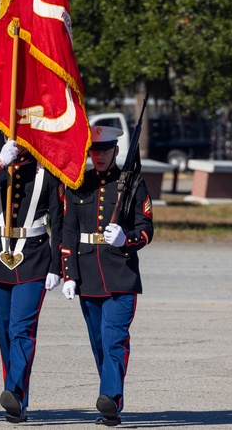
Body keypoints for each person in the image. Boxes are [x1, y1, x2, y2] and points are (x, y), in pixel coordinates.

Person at [60, 125, 154, 427]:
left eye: (105, 150)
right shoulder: (78, 185)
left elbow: (147, 228)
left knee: (115, 339)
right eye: (94, 151)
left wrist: (125, 238)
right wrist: (69, 275)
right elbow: (69, 231)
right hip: (88, 274)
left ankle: (110, 398)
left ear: (116, 151)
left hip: (120, 274)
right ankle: (111, 400)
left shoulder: (133, 184)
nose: (99, 156)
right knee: (99, 343)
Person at [0, 139, 64, 424]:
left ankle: (15, 392)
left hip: (34, 258)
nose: (19, 143)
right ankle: (16, 397)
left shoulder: (47, 172)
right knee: (6, 332)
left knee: (23, 329)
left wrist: (57, 267)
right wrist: (0, 164)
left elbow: (58, 222)